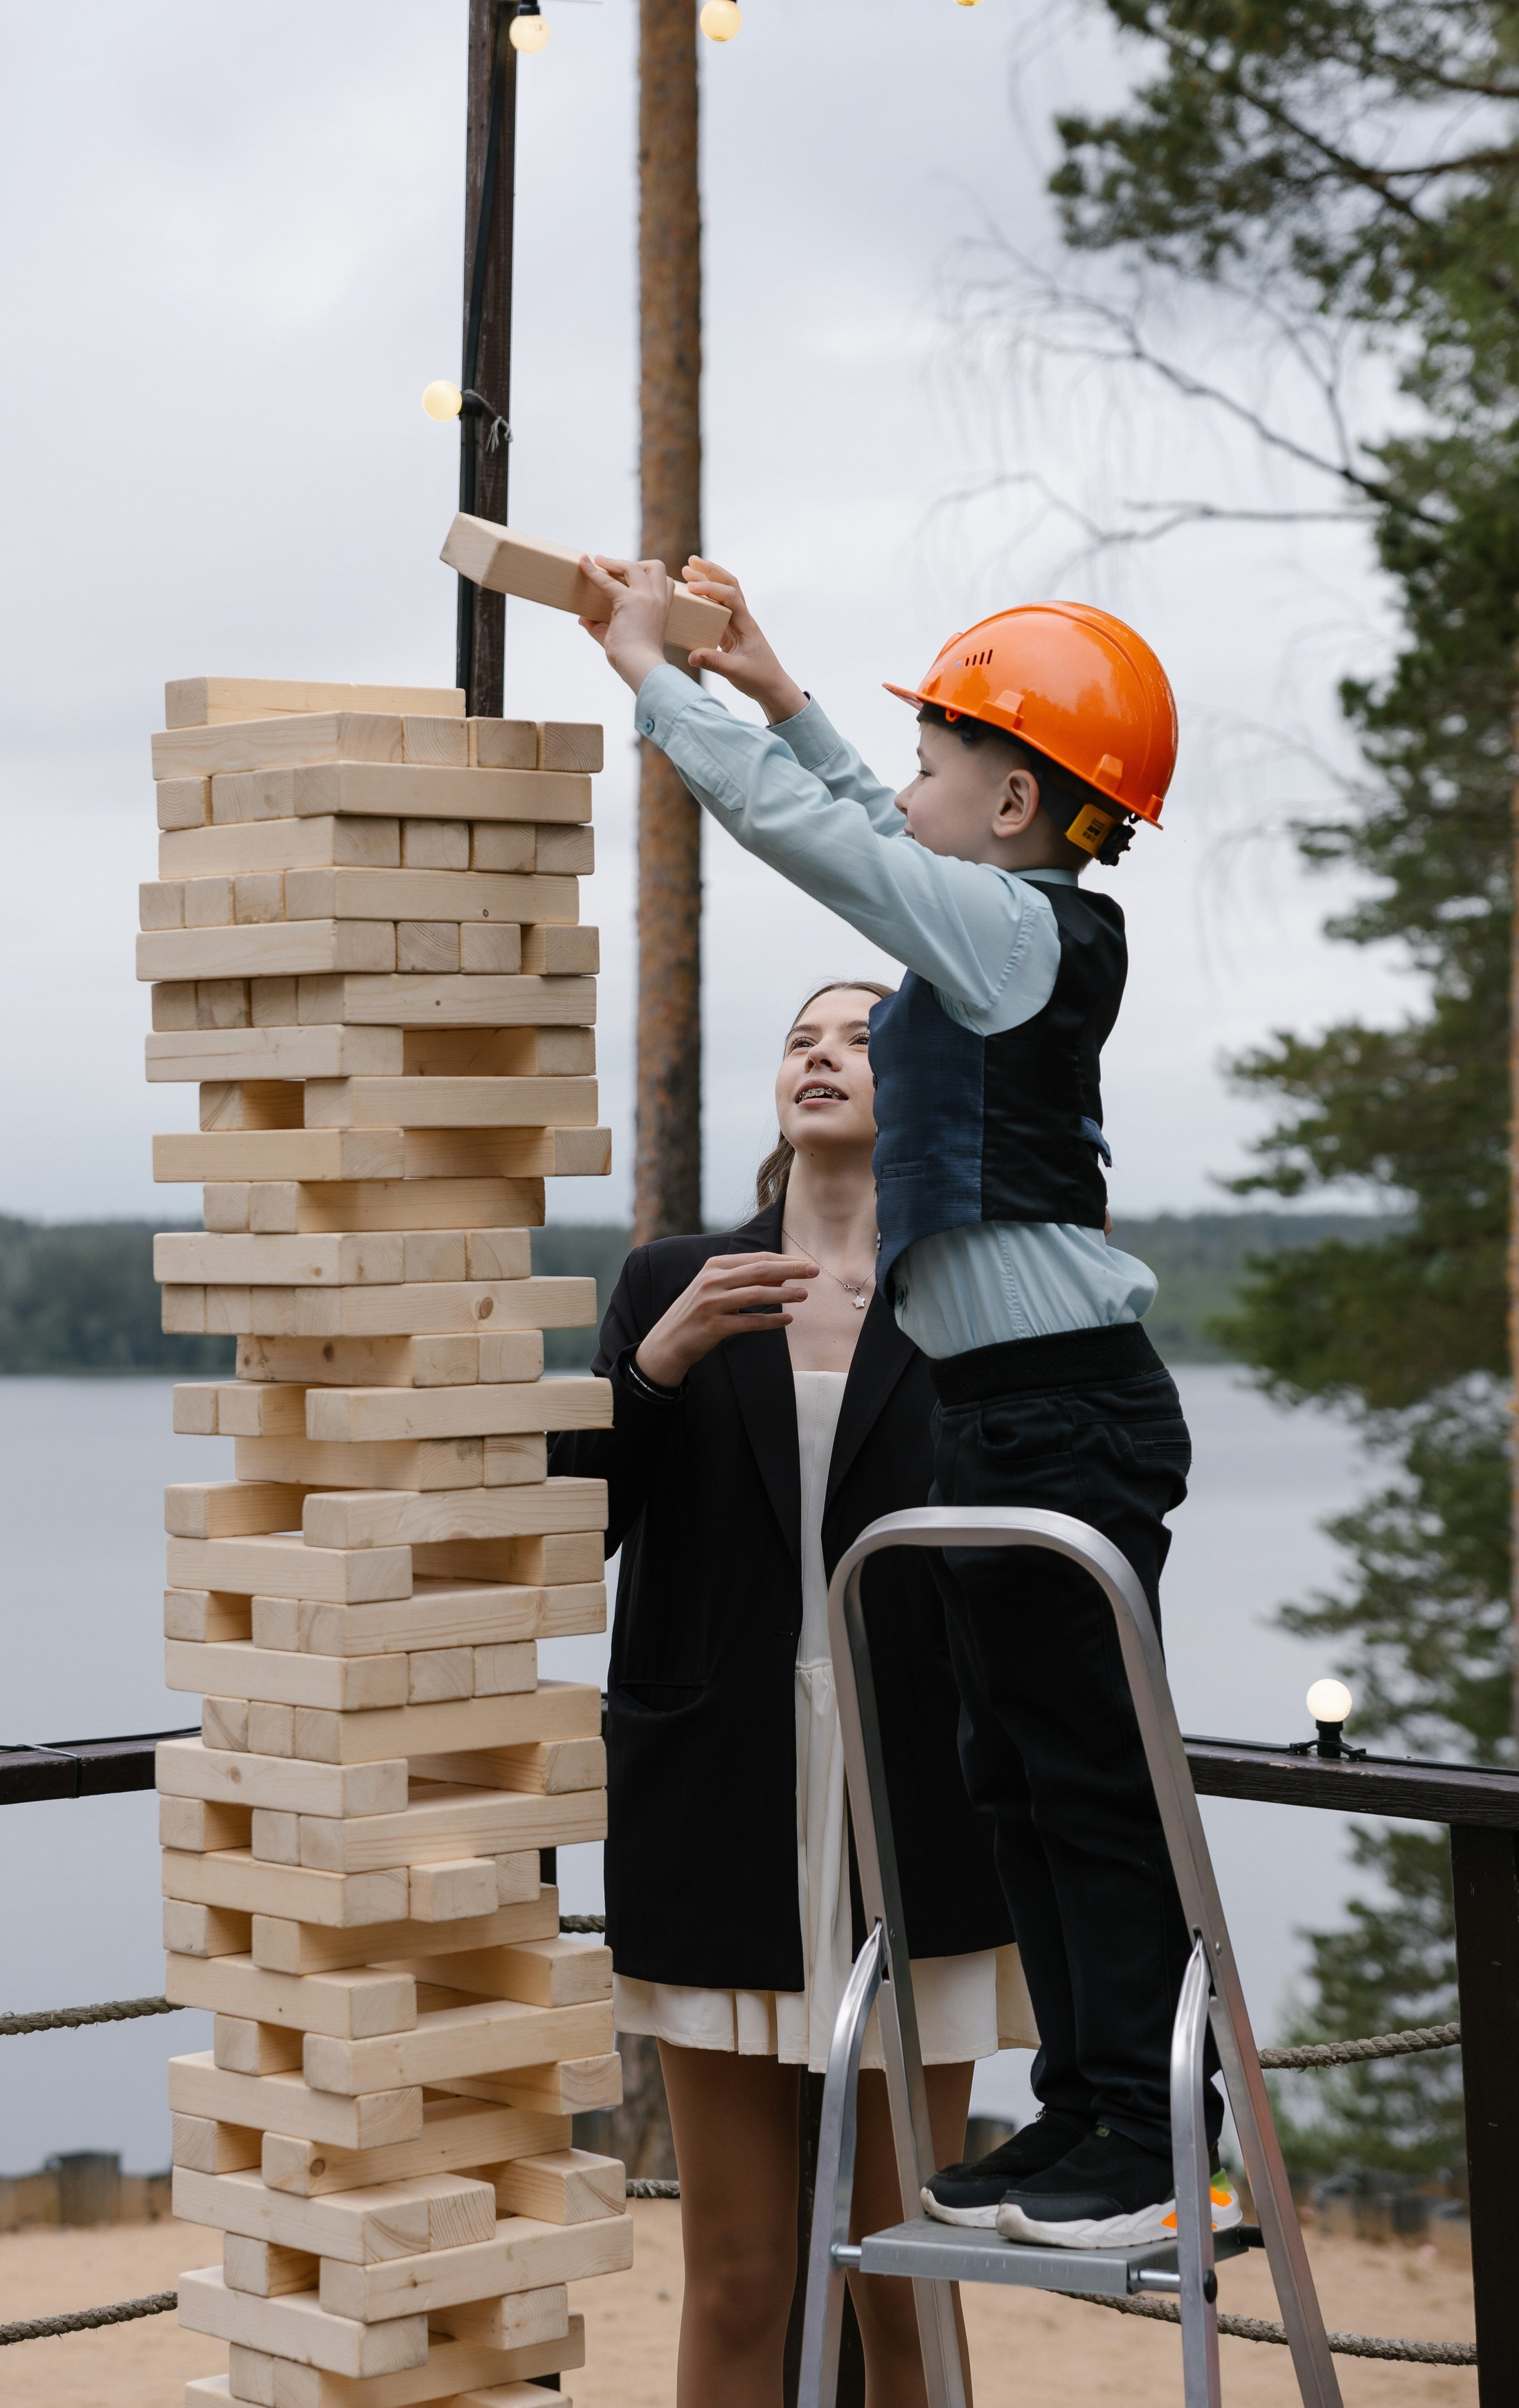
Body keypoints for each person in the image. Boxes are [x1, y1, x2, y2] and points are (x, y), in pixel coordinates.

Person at [575, 554, 1234, 2255]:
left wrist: (654, 680)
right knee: (1005, 1770)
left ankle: (1157, 2136)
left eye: (942, 762)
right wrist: (776, 691)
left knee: (1084, 1777)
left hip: (1060, 1411)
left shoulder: (1015, 933)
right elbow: (870, 808)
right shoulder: (1003, 906)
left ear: (1015, 798)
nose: (911, 785)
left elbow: (828, 839)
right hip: (1000, 1415)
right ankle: (1086, 2116)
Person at [551, 978, 1034, 2408]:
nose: (820, 1056)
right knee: (743, 2271)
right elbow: (562, 1537)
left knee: (906, 2276)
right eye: (800, 1038)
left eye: (864, 1039)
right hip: (718, 1810)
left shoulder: (975, 1293)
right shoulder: (666, 1282)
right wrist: (652, 1368)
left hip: (922, 1815)